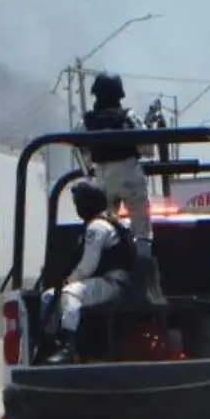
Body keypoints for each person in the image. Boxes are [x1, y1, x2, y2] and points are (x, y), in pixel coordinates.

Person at [41, 180, 136, 364]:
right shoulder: (109, 222)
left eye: (78, 202)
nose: (77, 207)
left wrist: (68, 282)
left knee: (69, 294)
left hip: (113, 283)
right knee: (48, 297)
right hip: (105, 282)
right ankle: (51, 343)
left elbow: (88, 266)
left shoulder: (97, 227)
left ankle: (68, 348)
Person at [81, 72, 154, 260]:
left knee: (105, 227)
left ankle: (110, 264)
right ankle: (144, 267)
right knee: (142, 231)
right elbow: (147, 147)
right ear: (119, 94)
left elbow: (81, 151)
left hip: (102, 178)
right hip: (131, 176)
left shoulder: (86, 122)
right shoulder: (129, 116)